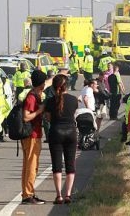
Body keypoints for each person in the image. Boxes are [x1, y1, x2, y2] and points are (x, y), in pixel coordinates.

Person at [44, 74, 79, 204]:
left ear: (54, 87)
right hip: (71, 131)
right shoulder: (73, 100)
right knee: (70, 166)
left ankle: (58, 195)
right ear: (67, 86)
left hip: (56, 131)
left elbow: (48, 118)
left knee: (57, 165)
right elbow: (73, 113)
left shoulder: (51, 101)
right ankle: (68, 195)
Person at [20, 69, 46, 205]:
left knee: (29, 165)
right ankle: (28, 194)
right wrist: (39, 111)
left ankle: (27, 193)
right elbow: (26, 117)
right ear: (41, 84)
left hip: (33, 135)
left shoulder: (36, 95)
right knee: (31, 165)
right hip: (31, 135)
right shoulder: (31, 97)